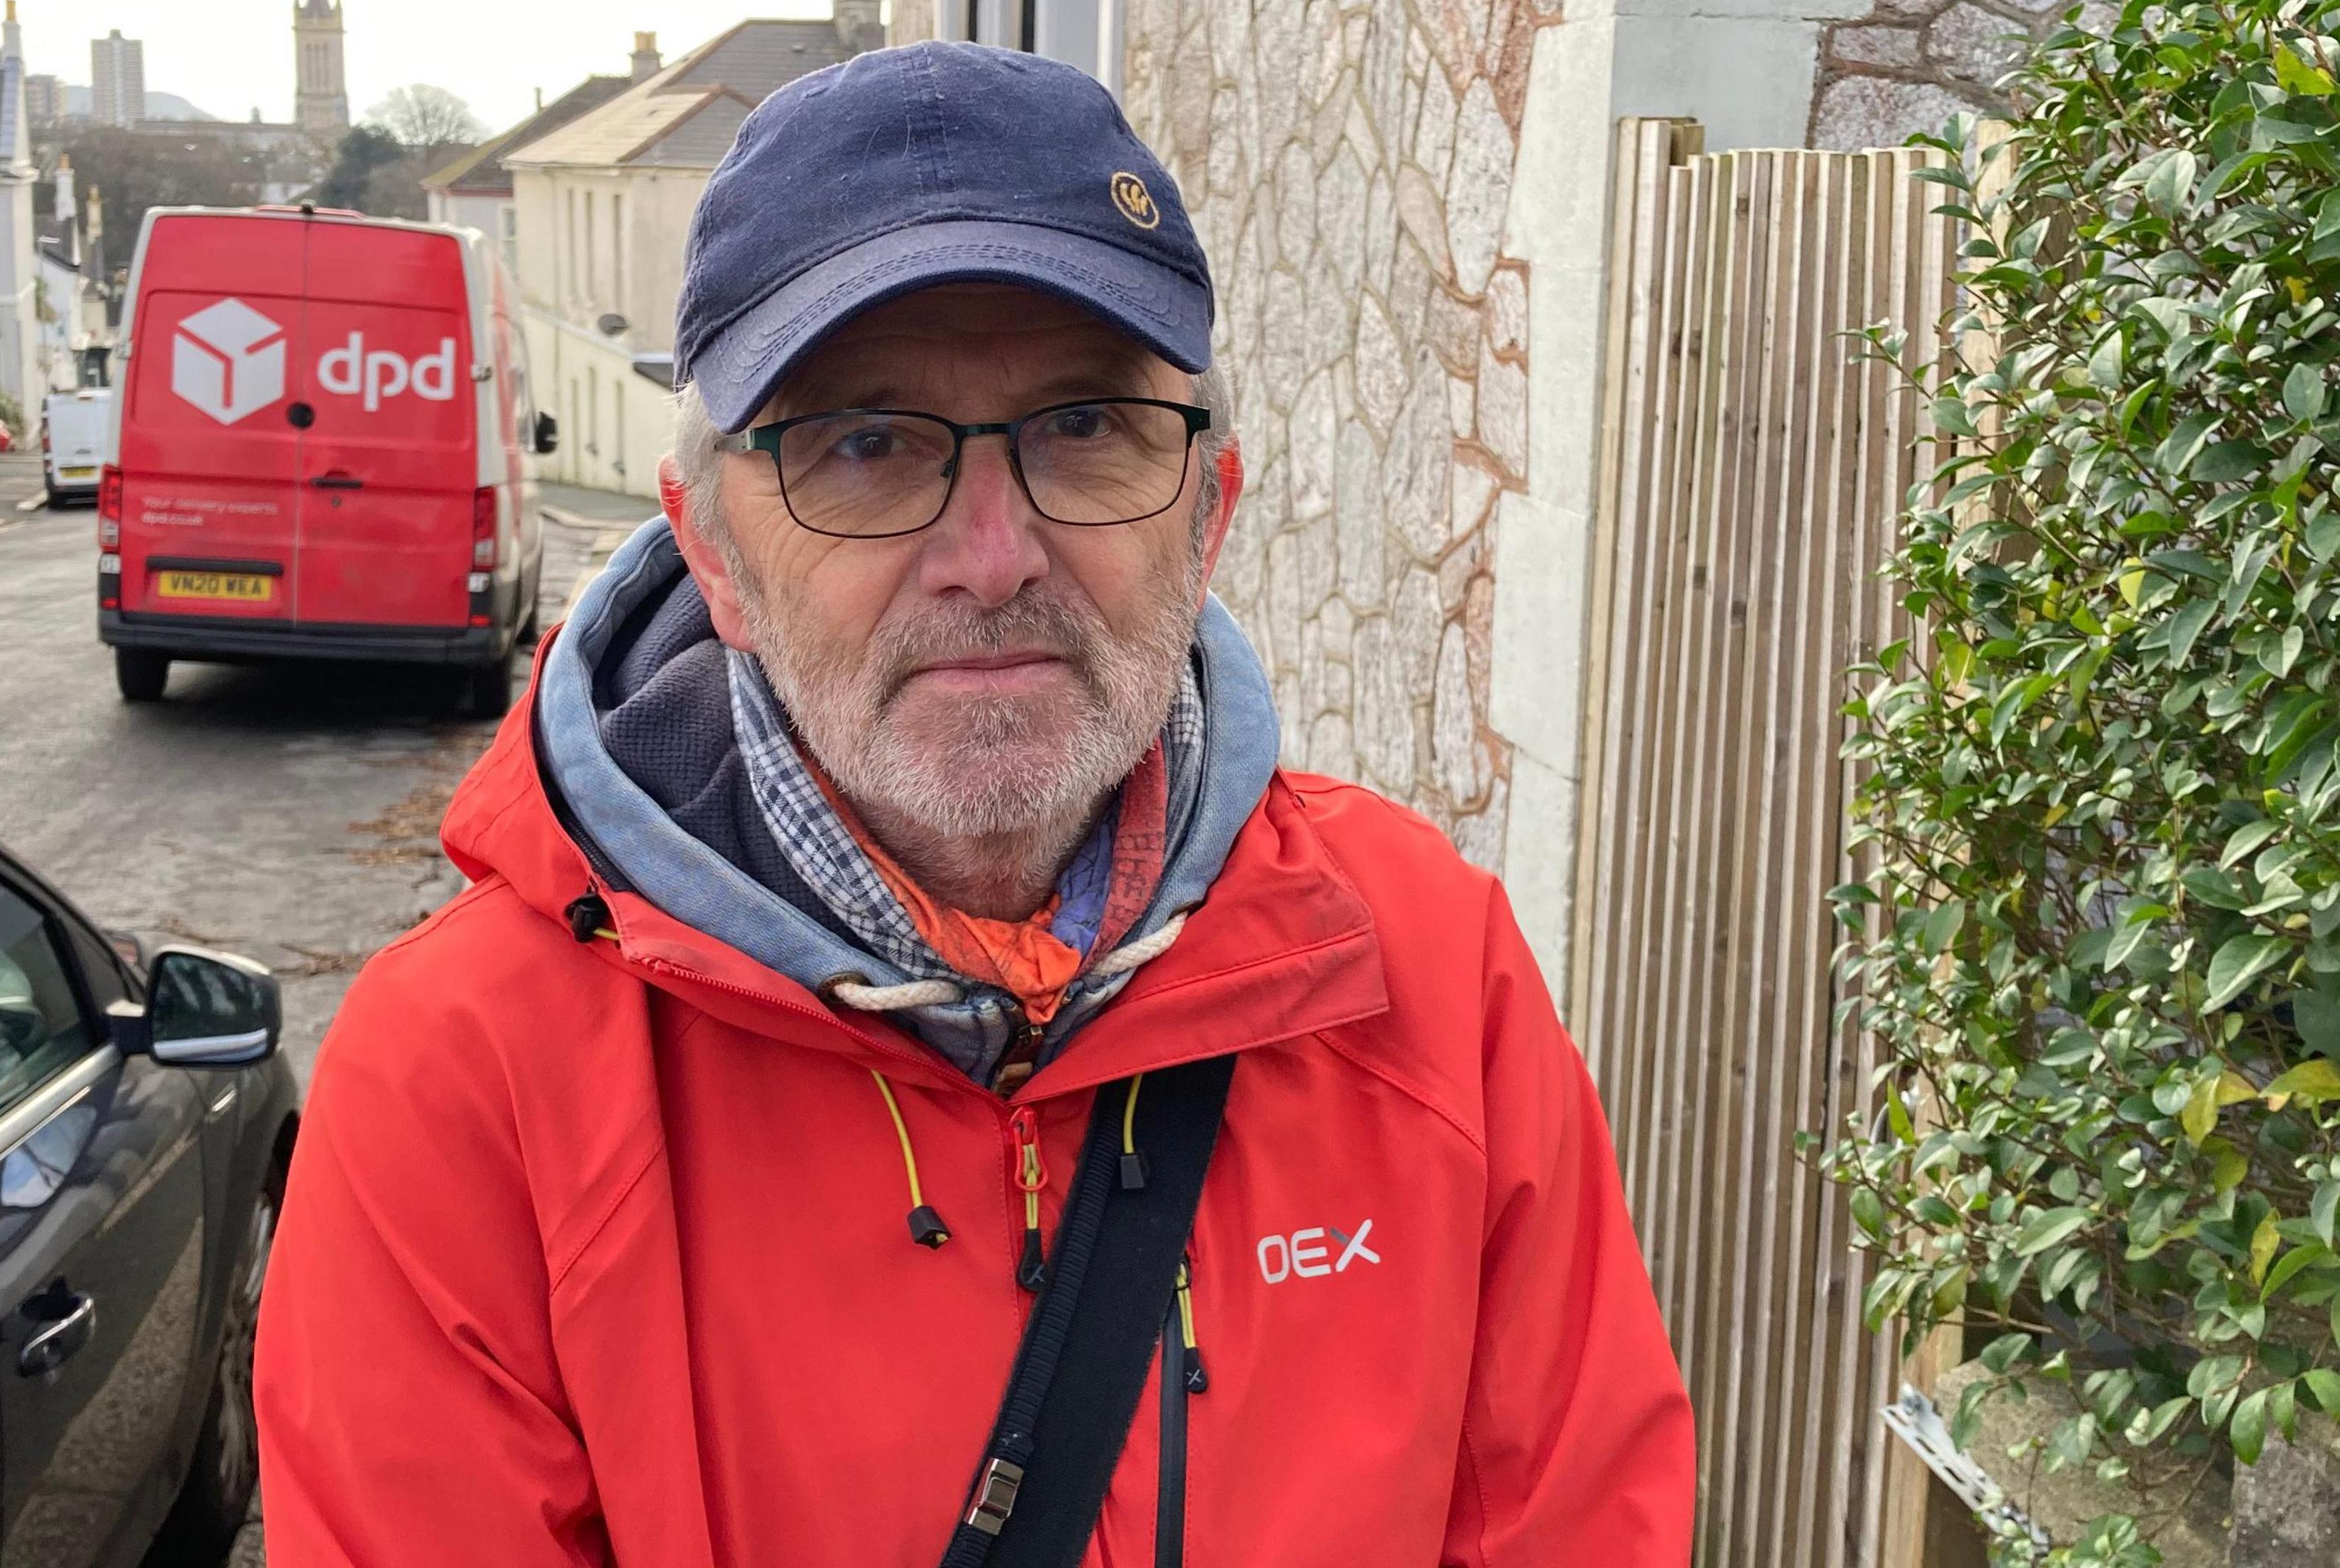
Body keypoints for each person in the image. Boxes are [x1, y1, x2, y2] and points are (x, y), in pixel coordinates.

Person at [254, 39, 1694, 1566]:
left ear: (1210, 516)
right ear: (715, 553)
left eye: (1083, 427)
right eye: (863, 445)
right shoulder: (463, 1091)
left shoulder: (1424, 978)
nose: (992, 554)